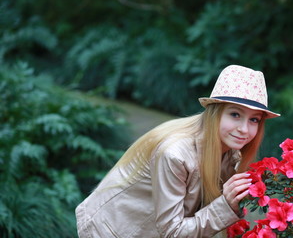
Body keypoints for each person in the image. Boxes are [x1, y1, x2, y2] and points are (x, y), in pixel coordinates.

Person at [75, 65, 280, 238]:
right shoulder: (175, 154)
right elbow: (173, 231)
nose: (244, 129)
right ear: (215, 113)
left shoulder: (230, 151)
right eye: (235, 114)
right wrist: (225, 206)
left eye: (254, 119)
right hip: (111, 231)